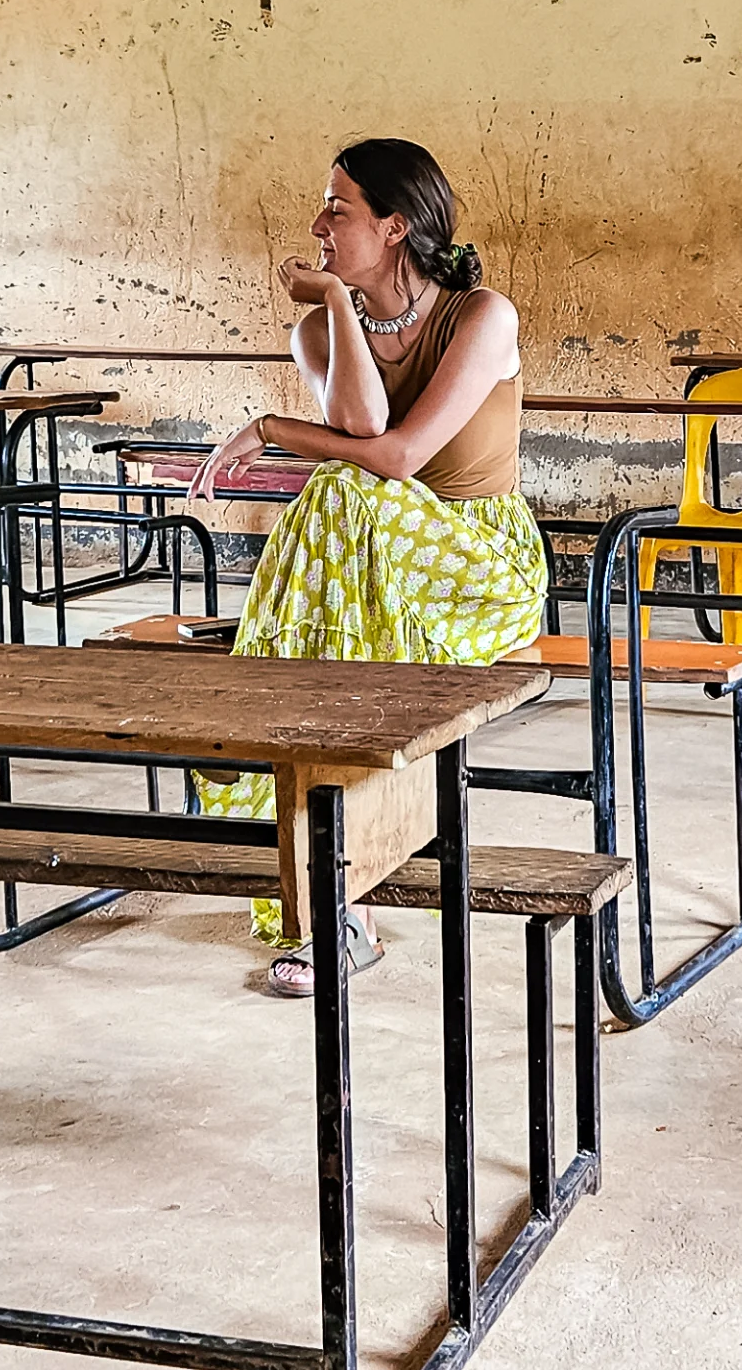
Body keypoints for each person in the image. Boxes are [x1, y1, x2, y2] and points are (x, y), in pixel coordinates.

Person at [189, 137, 537, 997]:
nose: (315, 226)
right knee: (346, 505)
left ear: (395, 226)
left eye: (337, 210)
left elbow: (400, 458)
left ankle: (338, 888)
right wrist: (341, 305)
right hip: (377, 577)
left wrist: (272, 431)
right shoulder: (320, 328)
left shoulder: (481, 316)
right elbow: (361, 419)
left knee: (345, 494)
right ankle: (346, 898)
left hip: (478, 567)